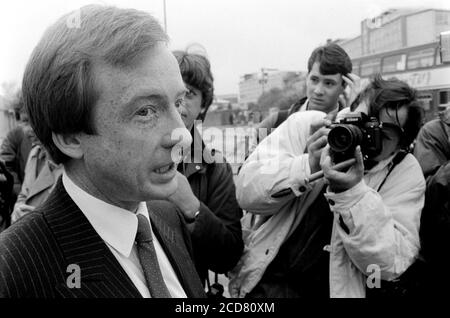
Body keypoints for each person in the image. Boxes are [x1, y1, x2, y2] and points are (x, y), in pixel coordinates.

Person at [0, 5, 205, 298]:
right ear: (70, 138)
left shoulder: (167, 217)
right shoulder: (14, 274)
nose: (182, 136)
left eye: (179, 102)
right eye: (146, 111)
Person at [229, 75, 425, 298]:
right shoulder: (306, 126)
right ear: (350, 109)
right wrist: (306, 165)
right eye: (361, 121)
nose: (363, 135)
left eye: (380, 133)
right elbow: (245, 192)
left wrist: (353, 194)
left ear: (401, 145)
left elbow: (390, 263)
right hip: (267, 288)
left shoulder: (404, 172)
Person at [170, 50, 243, 293]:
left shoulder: (215, 169)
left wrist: (193, 207)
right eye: (173, 89)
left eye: (189, 93)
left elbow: (229, 256)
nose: (179, 101)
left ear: (203, 107)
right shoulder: (128, 155)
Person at [247, 43, 360, 156]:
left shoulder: (355, 128)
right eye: (314, 80)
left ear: (344, 86)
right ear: (307, 78)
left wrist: (355, 113)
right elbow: (246, 169)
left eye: (328, 83)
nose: (318, 91)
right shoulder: (276, 122)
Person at [11, 143, 64, 223]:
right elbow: (24, 193)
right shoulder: (34, 152)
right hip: (26, 227)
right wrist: (18, 209)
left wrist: (39, 216)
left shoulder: (69, 161)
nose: (29, 132)